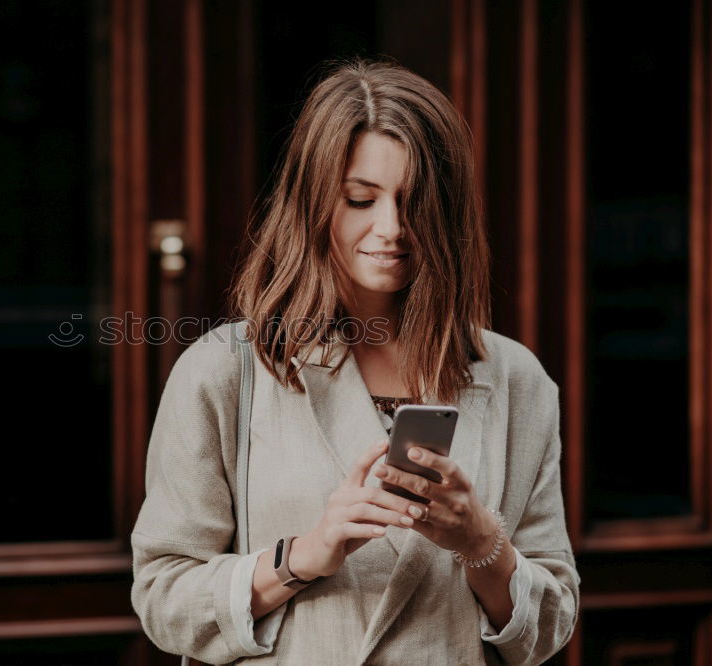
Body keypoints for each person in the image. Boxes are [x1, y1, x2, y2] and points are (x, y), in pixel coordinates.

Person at [129, 57, 579, 665]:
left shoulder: (513, 378)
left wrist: (481, 540)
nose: (391, 227)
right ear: (316, 203)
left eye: (414, 201)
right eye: (361, 199)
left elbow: (552, 623)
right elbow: (162, 595)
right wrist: (303, 556)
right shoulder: (225, 370)